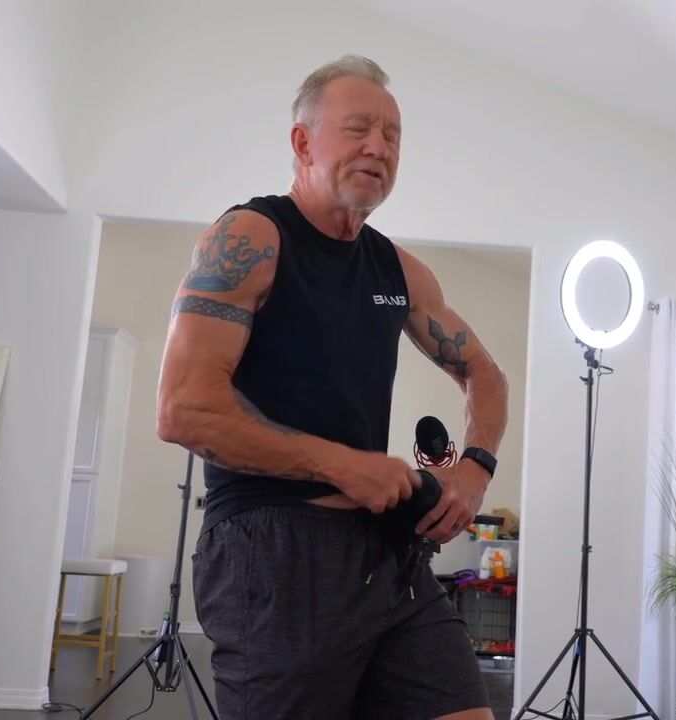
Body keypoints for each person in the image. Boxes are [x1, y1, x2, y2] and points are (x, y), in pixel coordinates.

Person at [156, 55, 509, 720]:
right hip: (273, 550)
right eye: (358, 128)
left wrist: (474, 469)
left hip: (388, 555)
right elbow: (182, 410)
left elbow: (485, 374)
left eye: (392, 135)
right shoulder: (250, 238)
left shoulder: (399, 270)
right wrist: (339, 463)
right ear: (303, 142)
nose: (379, 147)